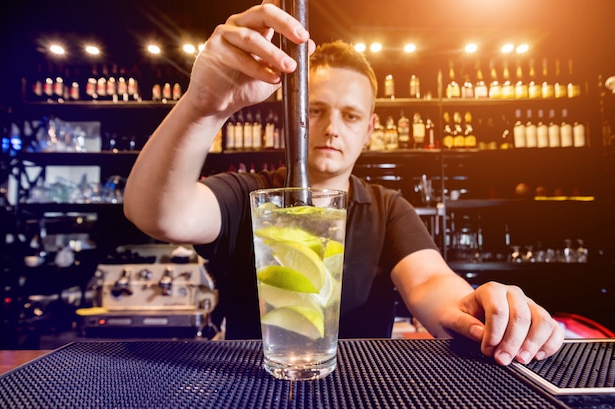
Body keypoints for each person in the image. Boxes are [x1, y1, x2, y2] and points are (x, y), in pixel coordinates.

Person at [123, 0, 564, 366]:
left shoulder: (387, 207)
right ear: (292, 115)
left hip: (362, 392)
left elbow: (429, 281)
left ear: (369, 128)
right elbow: (157, 213)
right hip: (249, 388)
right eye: (315, 110)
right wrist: (204, 106)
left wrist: (474, 308)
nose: (332, 127)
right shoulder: (253, 196)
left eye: (350, 115)